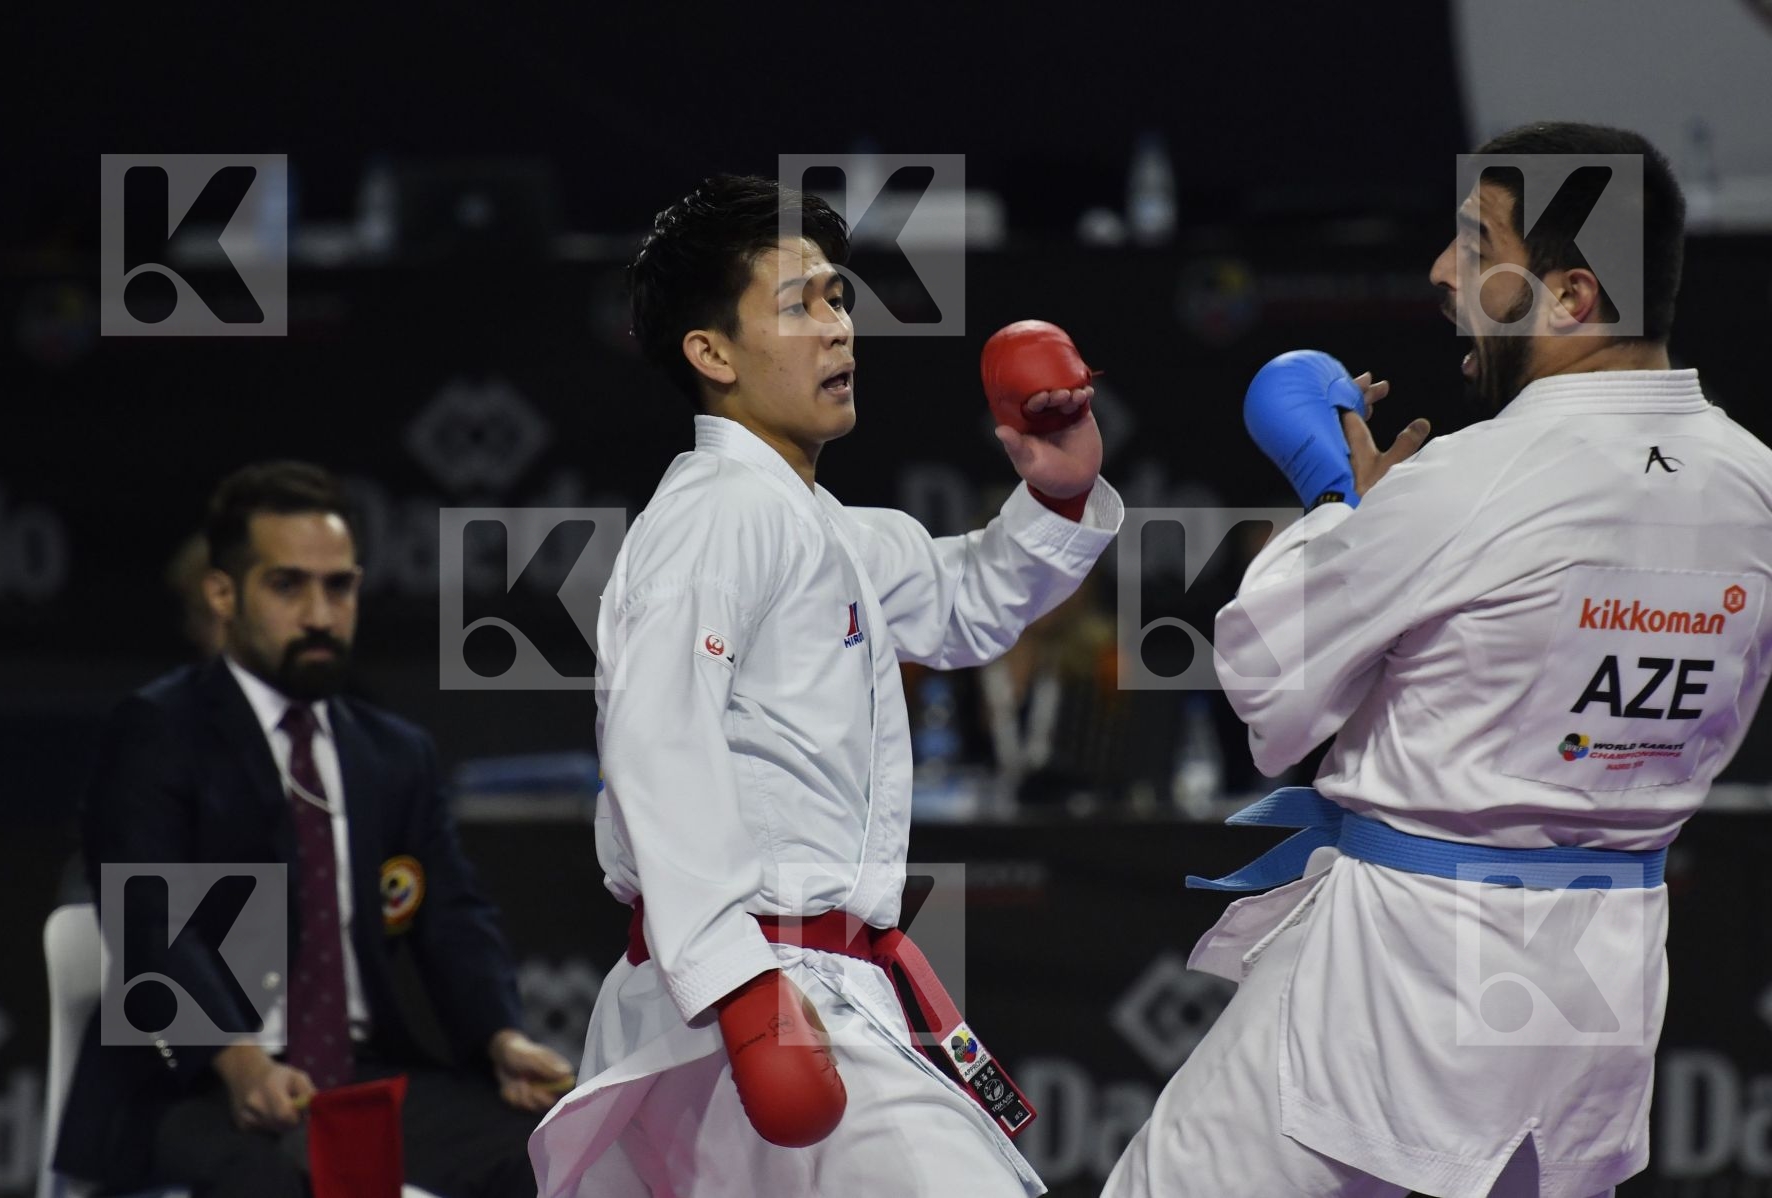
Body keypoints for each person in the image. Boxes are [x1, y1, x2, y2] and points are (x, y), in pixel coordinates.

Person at [1105, 122, 1772, 1198]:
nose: (1439, 271)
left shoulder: (1478, 476)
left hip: (1400, 983)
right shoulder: (1757, 486)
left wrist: (1338, 502)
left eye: (1475, 242)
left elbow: (1269, 689)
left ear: (1572, 296)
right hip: (1597, 990)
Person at [527, 174, 1123, 1197]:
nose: (840, 327)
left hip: (813, 987)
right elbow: (656, 738)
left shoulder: (825, 526)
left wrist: (1056, 489)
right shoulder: (715, 513)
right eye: (800, 305)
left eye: (839, 297)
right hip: (747, 994)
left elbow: (970, 594)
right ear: (709, 353)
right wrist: (739, 982)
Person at [57, 461, 573, 1198]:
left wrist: (501, 1037)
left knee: (550, 1156)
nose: (321, 614)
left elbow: (452, 918)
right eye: (287, 585)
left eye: (340, 586)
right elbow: (151, 918)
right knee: (289, 1184)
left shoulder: (393, 755)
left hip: (361, 1081)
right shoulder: (161, 731)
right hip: (200, 1086)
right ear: (222, 592)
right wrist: (237, 1061)